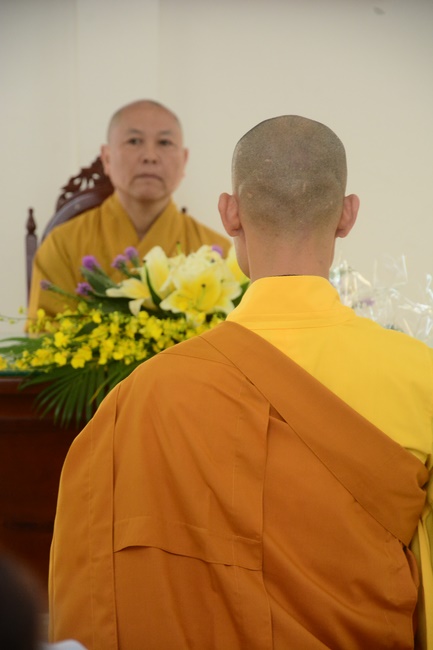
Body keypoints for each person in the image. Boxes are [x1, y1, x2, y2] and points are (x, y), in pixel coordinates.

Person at [48, 115, 433, 649]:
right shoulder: (420, 377)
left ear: (229, 213)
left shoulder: (145, 394)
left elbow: (95, 586)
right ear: (347, 215)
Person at [27, 99, 231, 320]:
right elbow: (45, 333)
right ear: (107, 158)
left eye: (164, 142)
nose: (150, 156)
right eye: (134, 141)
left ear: (184, 160)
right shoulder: (62, 245)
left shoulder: (218, 253)